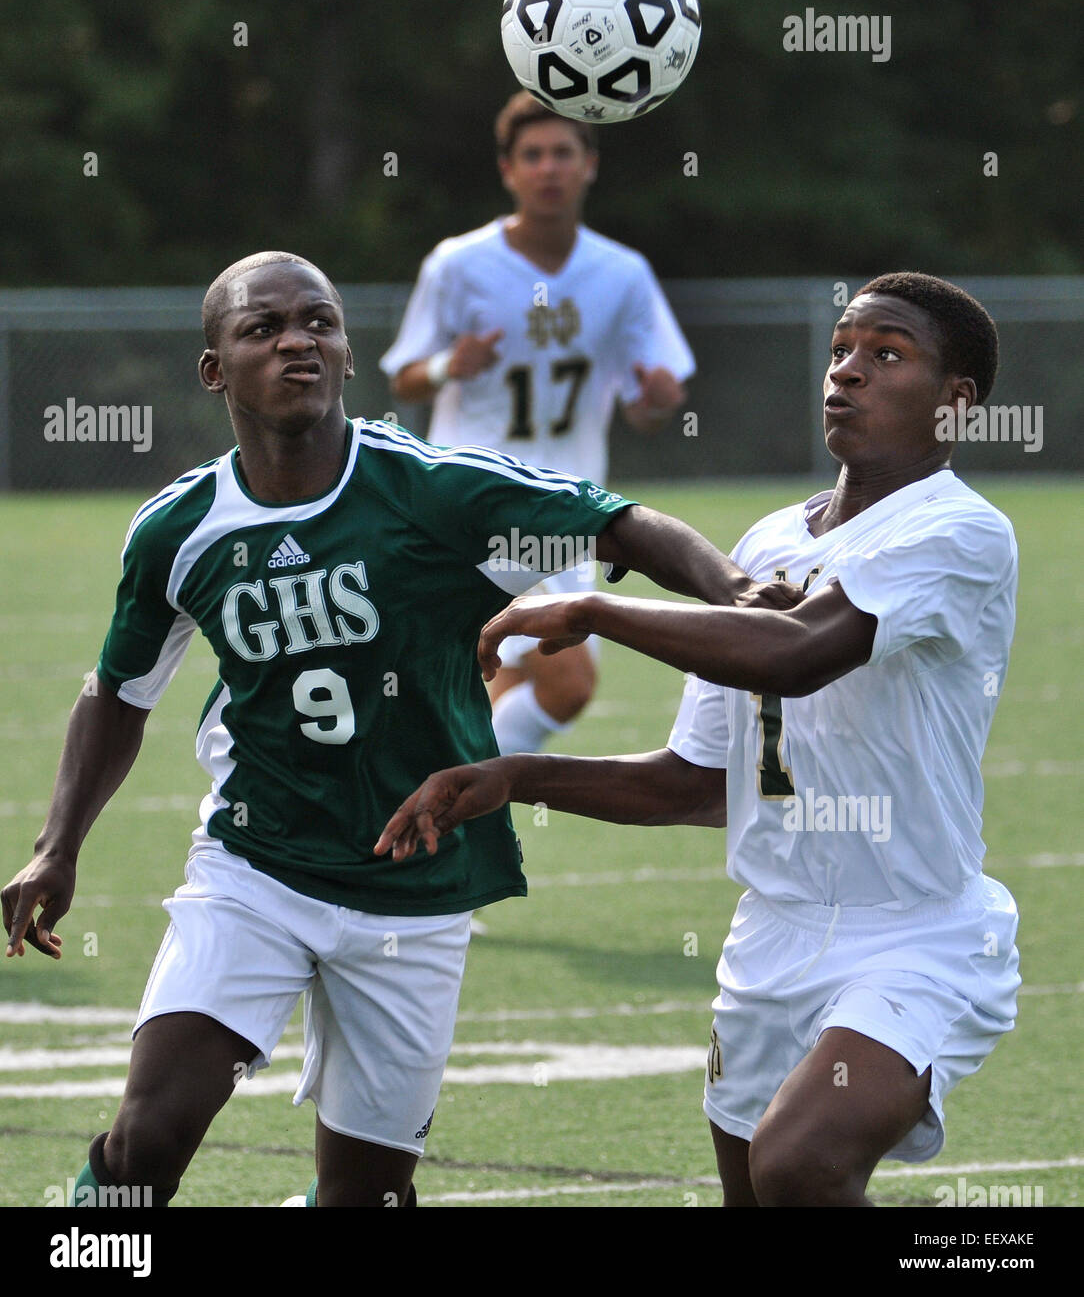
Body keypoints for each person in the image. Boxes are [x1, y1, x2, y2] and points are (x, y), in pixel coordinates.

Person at [1, 251, 755, 1209]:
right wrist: (56, 846)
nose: (298, 343)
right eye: (264, 328)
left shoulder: (433, 489)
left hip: (417, 883)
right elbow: (118, 693)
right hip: (257, 868)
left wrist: (736, 591)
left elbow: (623, 527)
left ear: (349, 353)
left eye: (319, 322)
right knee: (147, 1137)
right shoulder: (178, 529)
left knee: (366, 1195)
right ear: (215, 370)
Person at [375, 272, 1022, 1207]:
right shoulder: (767, 544)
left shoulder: (960, 530)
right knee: (757, 1194)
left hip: (914, 932)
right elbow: (693, 782)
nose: (847, 372)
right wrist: (516, 774)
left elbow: (799, 653)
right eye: (841, 349)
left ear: (956, 402)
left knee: (798, 1163)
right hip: (770, 935)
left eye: (887, 355)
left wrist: (594, 607)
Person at [380, 91, 695, 756]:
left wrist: (660, 399)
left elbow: (646, 409)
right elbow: (403, 375)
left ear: (590, 164)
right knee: (568, 681)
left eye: (562, 153)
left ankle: (451, 792)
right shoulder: (458, 264)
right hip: (477, 500)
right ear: (507, 169)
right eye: (532, 155)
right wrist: (448, 365)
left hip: (571, 508)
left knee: (512, 683)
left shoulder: (622, 273)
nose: (548, 168)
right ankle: (454, 791)